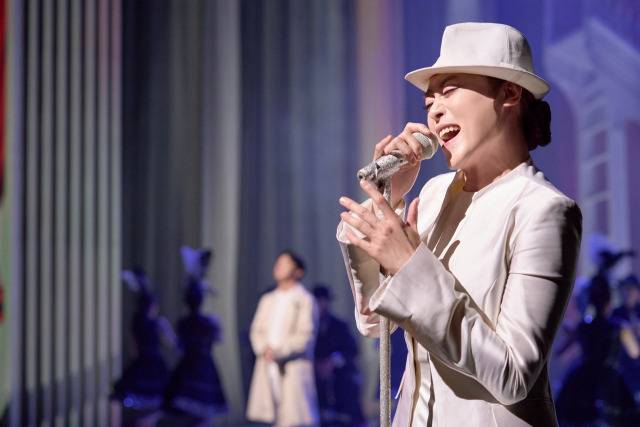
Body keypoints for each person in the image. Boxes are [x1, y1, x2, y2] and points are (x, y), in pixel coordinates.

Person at [337, 22, 582, 426]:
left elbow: (513, 376)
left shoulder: (544, 209)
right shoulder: (433, 195)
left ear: (509, 93)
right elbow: (374, 322)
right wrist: (389, 201)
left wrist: (410, 267)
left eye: (449, 91)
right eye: (428, 102)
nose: (433, 110)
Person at [246, 250, 320, 427]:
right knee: (272, 415)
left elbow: (306, 337)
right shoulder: (267, 299)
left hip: (292, 367)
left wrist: (279, 352)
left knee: (293, 416)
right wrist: (263, 349)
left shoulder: (304, 299)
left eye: (285, 263)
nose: (278, 266)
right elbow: (256, 330)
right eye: (277, 262)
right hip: (267, 364)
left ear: (298, 271)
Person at [556, 276, 640, 425]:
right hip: (611, 382)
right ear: (609, 302)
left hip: (584, 379)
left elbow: (559, 351)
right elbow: (635, 353)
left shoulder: (584, 327)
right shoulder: (619, 327)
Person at [164, 246, 227, 422]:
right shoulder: (208, 322)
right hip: (203, 367)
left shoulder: (185, 322)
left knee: (189, 412)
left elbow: (179, 347)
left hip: (189, 366)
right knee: (201, 414)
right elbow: (219, 338)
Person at [111, 269, 175, 416]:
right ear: (152, 307)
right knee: (156, 405)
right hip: (155, 364)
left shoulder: (137, 323)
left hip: (141, 363)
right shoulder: (157, 323)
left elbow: (133, 348)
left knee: (143, 405)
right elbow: (171, 342)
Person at [312, 285, 366, 427]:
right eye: (317, 302)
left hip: (340, 379)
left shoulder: (339, 326)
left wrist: (332, 361)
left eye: (322, 301)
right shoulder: (310, 326)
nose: (320, 306)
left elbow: (352, 350)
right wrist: (317, 365)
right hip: (316, 380)